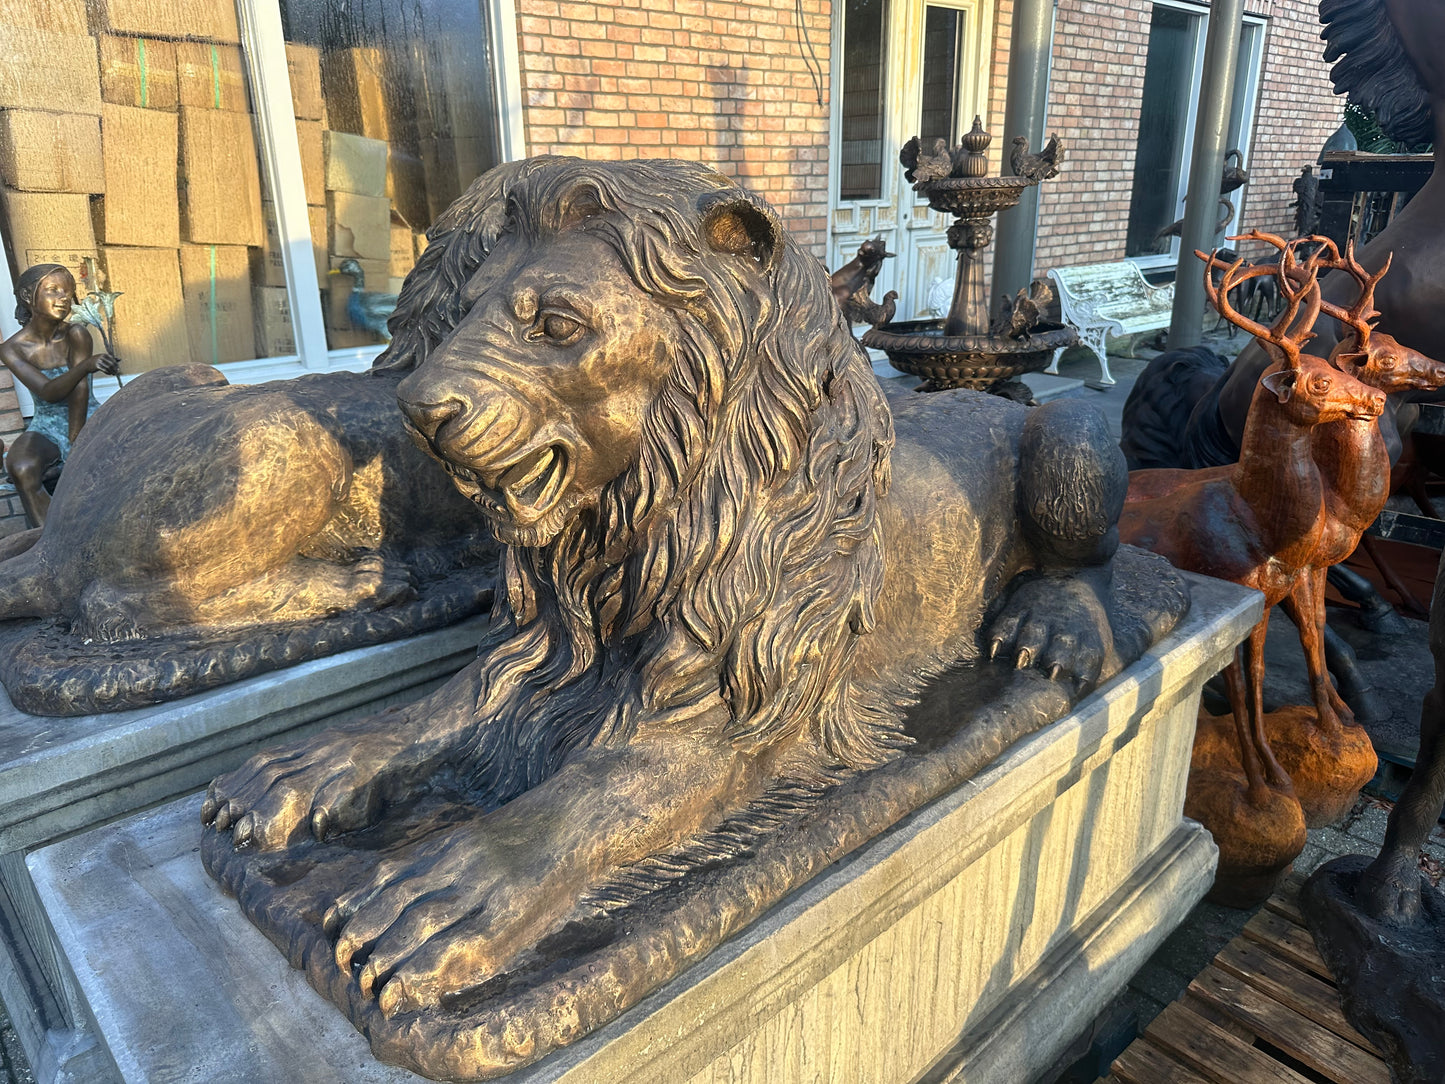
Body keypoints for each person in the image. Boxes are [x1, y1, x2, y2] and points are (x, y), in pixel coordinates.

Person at [1, 263, 120, 527]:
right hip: (46, 423)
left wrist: (75, 440)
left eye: (68, 291)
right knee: (21, 467)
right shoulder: (11, 348)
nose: (64, 297)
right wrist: (87, 366)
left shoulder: (76, 334)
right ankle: (44, 538)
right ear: (27, 296)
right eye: (53, 290)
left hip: (84, 416)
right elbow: (48, 392)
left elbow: (80, 390)